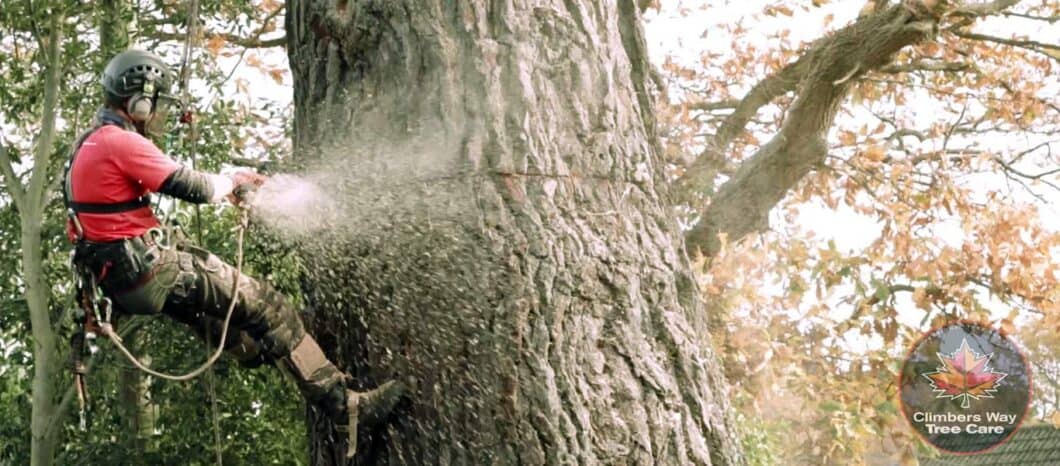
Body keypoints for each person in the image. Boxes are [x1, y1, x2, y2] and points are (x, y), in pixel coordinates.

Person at [63, 49, 404, 452]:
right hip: (151, 272)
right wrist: (234, 180)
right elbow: (196, 188)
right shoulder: (119, 142)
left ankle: (267, 346)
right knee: (269, 306)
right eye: (157, 106)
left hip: (123, 283)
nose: (159, 115)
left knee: (237, 324)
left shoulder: (90, 142)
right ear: (139, 100)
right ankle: (345, 405)